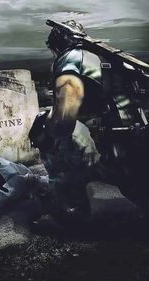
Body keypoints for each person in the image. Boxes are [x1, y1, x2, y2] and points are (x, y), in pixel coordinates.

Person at [29, 20, 114, 224]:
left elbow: (64, 120)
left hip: (96, 131)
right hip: (109, 125)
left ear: (56, 45)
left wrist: (45, 129)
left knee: (51, 135)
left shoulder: (70, 60)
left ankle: (68, 210)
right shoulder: (95, 57)